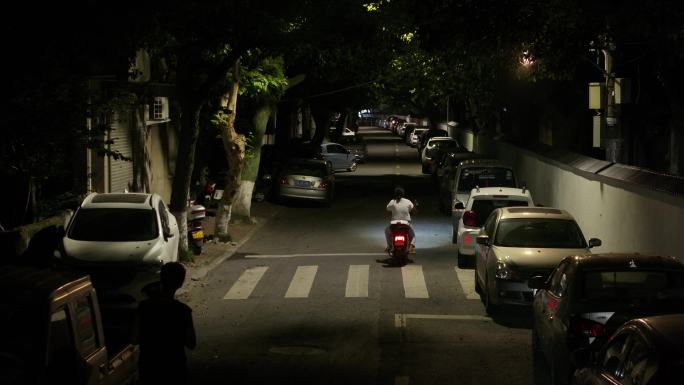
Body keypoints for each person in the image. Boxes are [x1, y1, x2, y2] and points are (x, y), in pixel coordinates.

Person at [134, 262, 196, 385]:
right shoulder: (182, 311)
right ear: (180, 282)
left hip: (149, 368)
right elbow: (191, 343)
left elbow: (133, 338)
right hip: (174, 368)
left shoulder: (144, 307)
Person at [385, 187, 417, 252]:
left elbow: (387, 210)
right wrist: (415, 206)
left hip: (394, 224)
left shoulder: (392, 202)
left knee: (386, 232)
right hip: (405, 224)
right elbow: (414, 211)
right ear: (403, 194)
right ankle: (410, 247)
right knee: (413, 235)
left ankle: (390, 246)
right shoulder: (408, 201)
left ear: (395, 194)